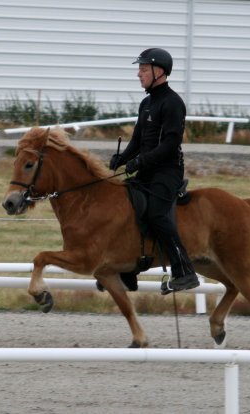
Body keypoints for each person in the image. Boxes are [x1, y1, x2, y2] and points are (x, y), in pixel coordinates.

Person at [110, 47, 199, 292]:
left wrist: (139, 162)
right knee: (124, 206)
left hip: (167, 172)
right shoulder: (146, 103)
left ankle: (184, 271)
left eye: (143, 69)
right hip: (148, 171)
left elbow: (171, 145)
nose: (139, 74)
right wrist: (122, 158)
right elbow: (138, 141)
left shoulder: (173, 103)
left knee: (157, 214)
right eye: (139, 70)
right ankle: (128, 270)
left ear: (158, 72)